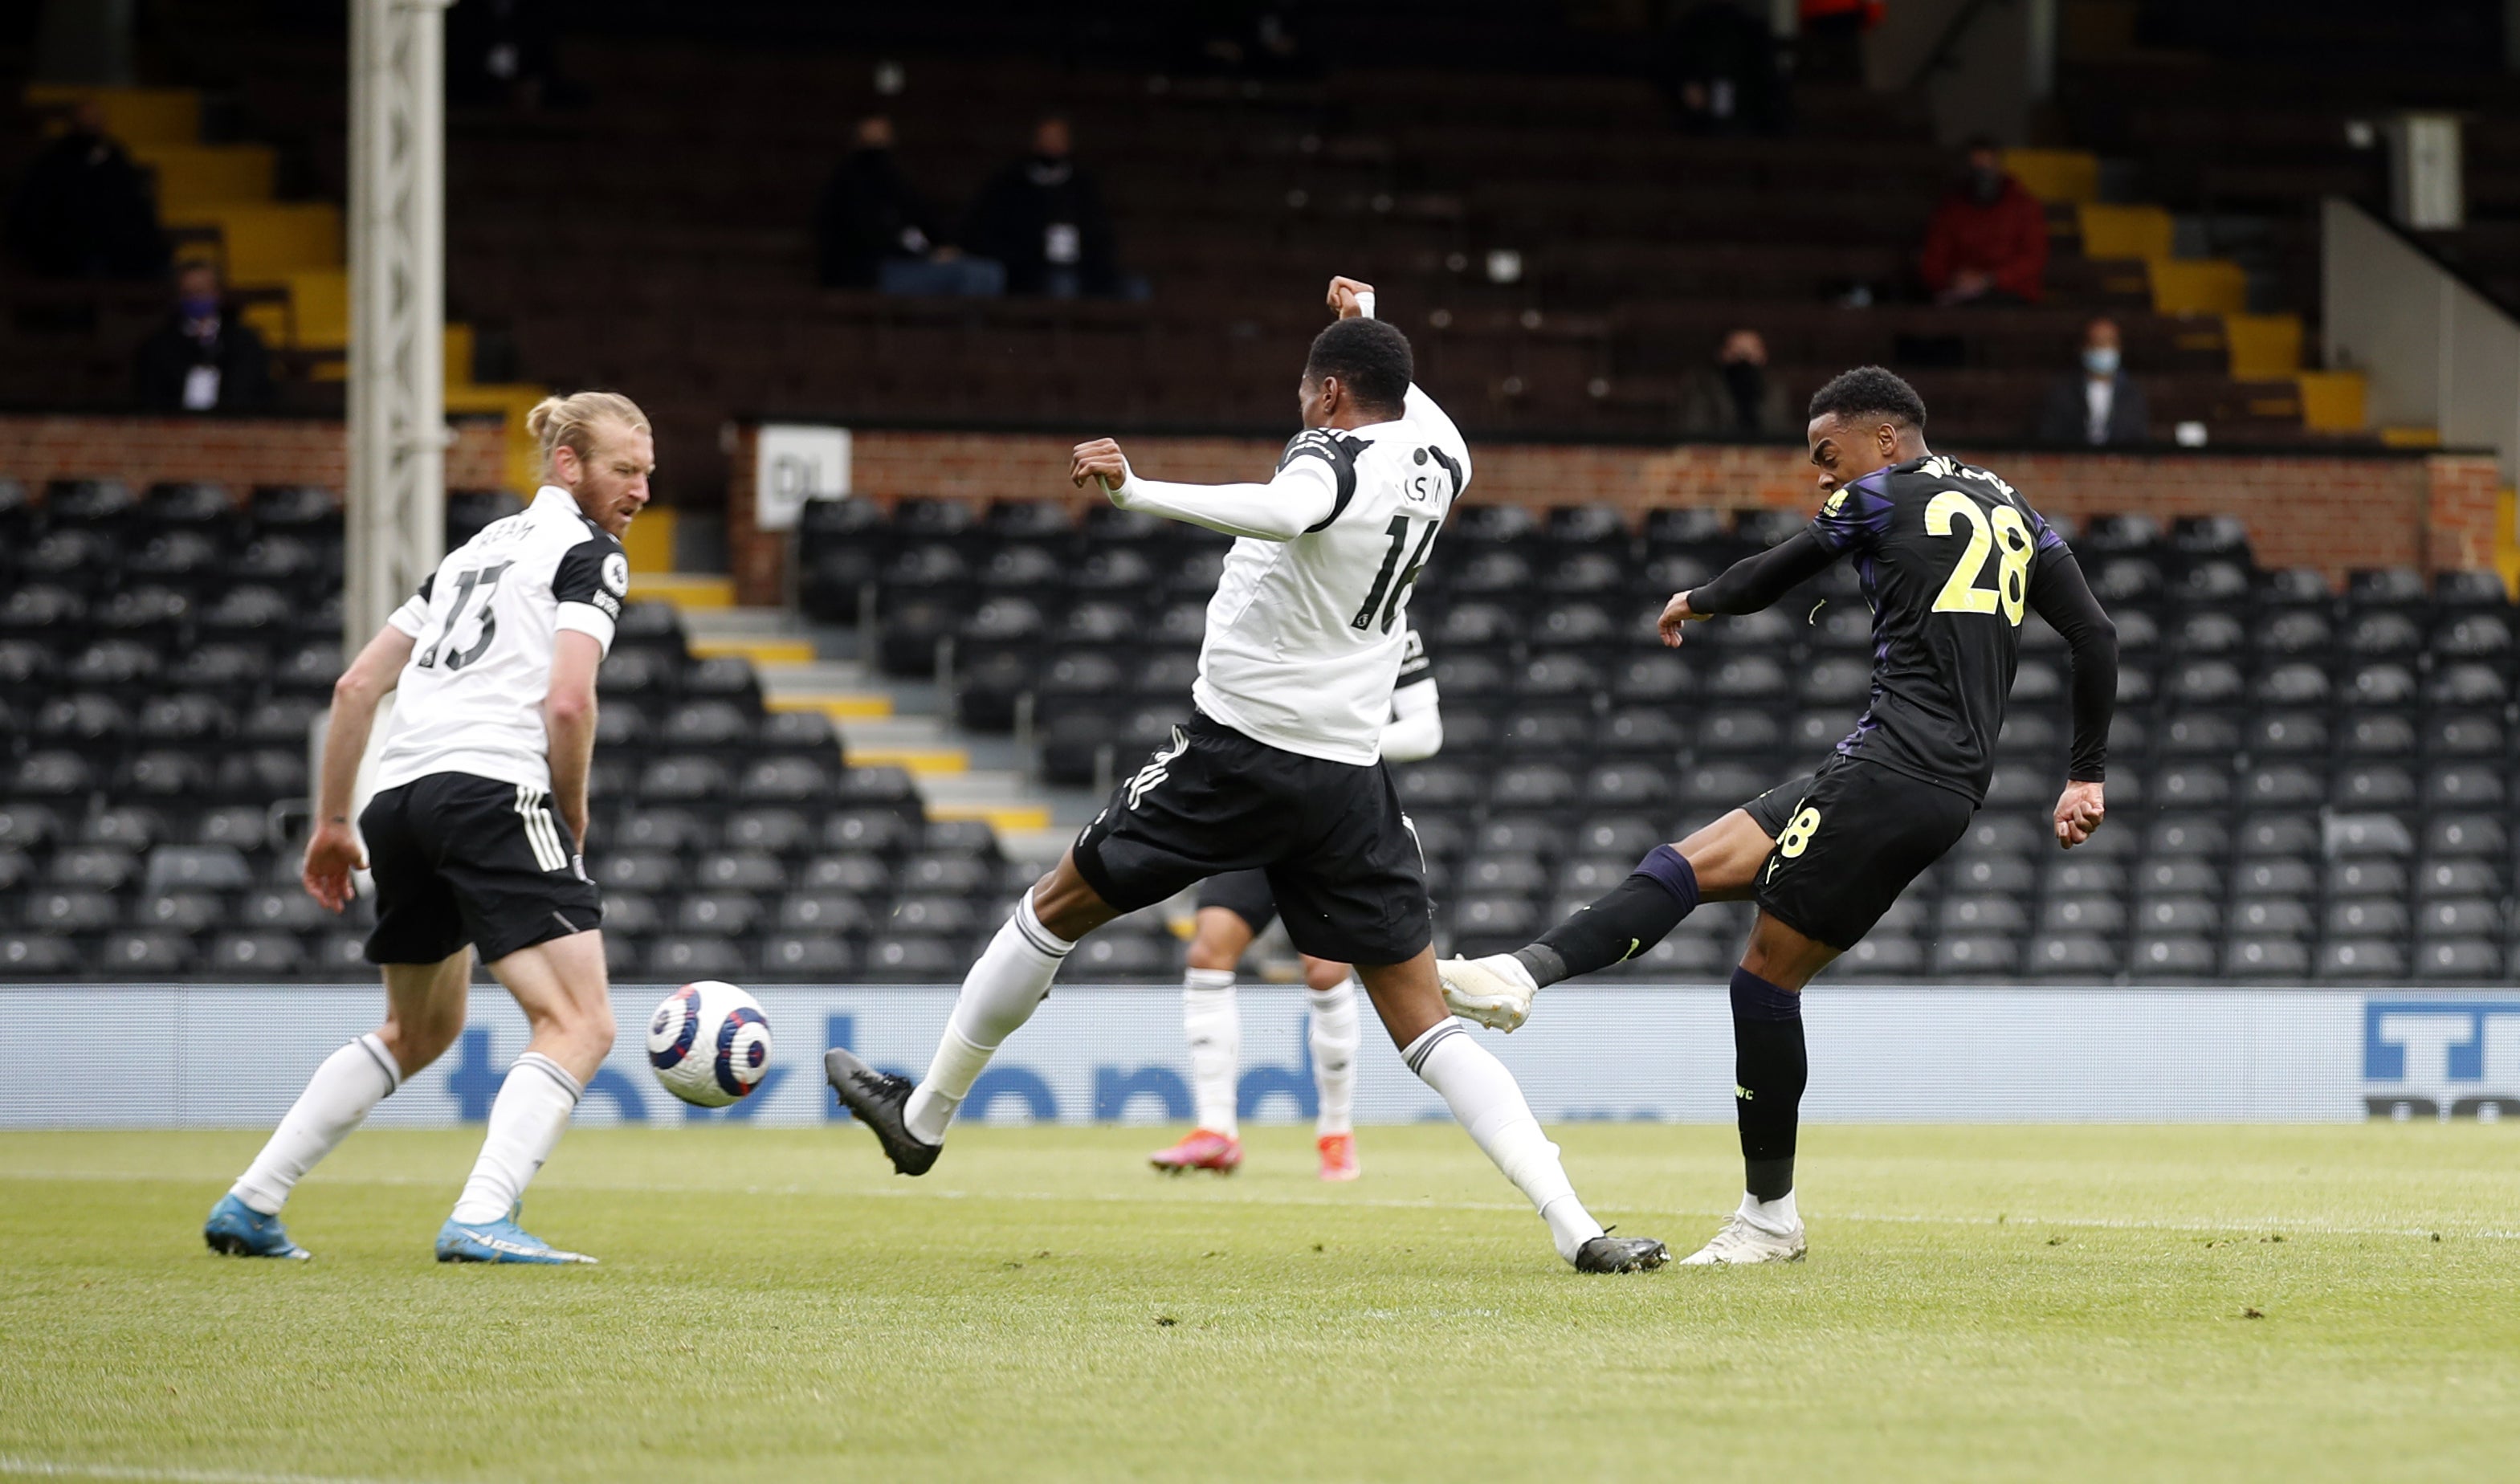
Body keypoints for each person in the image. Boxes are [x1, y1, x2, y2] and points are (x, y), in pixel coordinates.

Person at [827, 275, 1668, 1274]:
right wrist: (1362, 319)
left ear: (1326, 396)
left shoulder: (1329, 458)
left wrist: (1138, 491)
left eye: (1305, 390)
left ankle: (922, 1119)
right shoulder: (1444, 450)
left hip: (1239, 755)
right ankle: (1579, 1228)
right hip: (1347, 779)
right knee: (1422, 1024)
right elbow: (1390, 392)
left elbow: (1285, 508)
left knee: (1054, 907)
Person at [1438, 365, 2117, 1266]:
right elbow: (2096, 635)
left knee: (1763, 982)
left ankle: (1768, 1218)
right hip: (1911, 775)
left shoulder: (1879, 495)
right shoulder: (2011, 506)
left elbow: (1777, 573)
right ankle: (1523, 973)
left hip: (1894, 775)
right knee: (1690, 860)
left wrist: (1698, 599)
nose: (1824, 478)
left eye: (1827, 456)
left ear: (1883, 440)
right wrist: (2085, 775)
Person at [202, 390, 649, 1266]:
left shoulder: (467, 556)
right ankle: (483, 1214)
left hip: (399, 799)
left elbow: (355, 689)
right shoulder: (589, 554)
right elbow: (567, 699)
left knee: (419, 1031)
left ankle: (253, 1201)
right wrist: (573, 808)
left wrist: (332, 823)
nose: (640, 489)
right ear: (570, 465)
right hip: (494, 792)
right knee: (581, 1022)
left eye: (647, 473)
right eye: (625, 470)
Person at [1150, 628, 1443, 1182]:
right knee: (1209, 949)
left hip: (1336, 814)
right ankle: (1216, 1130)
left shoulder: (1389, 620)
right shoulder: (1281, 607)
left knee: (1325, 966)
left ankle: (1335, 1131)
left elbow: (1426, 731)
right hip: (1259, 808)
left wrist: (1328, 748)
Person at [960, 116, 1120, 298]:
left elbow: (1100, 239)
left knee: (1134, 288)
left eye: (1058, 139)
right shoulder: (1011, 183)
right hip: (1026, 272)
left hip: (1082, 270)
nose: (1052, 146)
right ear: (1035, 142)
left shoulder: (1082, 185)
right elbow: (988, 232)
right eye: (1047, 139)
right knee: (1062, 285)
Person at [7, 98, 166, 279]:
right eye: (87, 119)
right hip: (70, 244)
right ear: (74, 122)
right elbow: (40, 208)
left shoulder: (114, 154)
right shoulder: (56, 159)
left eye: (96, 118)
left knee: (151, 254)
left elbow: (131, 199)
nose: (92, 123)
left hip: (117, 243)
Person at [815, 116, 946, 290]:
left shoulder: (894, 181)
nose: (877, 152)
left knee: (979, 272)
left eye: (882, 141)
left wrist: (939, 247)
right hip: (869, 272)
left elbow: (918, 218)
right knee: (973, 274)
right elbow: (872, 233)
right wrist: (926, 254)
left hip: (897, 263)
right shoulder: (850, 183)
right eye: (872, 143)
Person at [1919, 137, 2048, 307]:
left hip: (2012, 293)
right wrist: (1954, 279)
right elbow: (1933, 260)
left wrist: (1990, 279)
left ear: (1999, 166)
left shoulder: (2023, 206)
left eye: (1987, 166)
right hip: (1960, 294)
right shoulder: (1951, 210)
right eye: (1976, 167)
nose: (1982, 174)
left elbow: (2034, 257)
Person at [134, 260, 275, 414]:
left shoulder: (244, 342)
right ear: (178, 296)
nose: (196, 299)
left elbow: (254, 391)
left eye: (201, 292)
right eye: (189, 293)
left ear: (217, 293)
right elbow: (151, 398)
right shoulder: (159, 346)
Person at [2036, 316, 2149, 446]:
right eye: (2097, 343)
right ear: (2083, 347)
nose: (2103, 349)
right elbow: (2048, 440)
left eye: (2109, 342)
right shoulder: (2061, 394)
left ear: (2119, 347)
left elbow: (2140, 442)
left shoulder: (2133, 395)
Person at [1677, 328, 1792, 437]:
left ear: (1763, 355)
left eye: (1750, 354)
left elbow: (1777, 430)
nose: (1743, 360)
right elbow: (1695, 430)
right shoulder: (1703, 386)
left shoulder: (1774, 389)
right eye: (1736, 353)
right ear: (1721, 354)